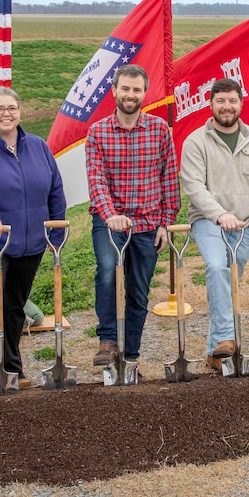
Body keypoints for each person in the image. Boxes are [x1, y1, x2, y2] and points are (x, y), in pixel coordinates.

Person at [0, 86, 67, 389]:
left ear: (20, 111)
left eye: (12, 108)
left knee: (14, 303)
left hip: (30, 240)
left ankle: (11, 367)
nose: (6, 114)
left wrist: (56, 230)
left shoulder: (37, 146)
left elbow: (55, 189)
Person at [86, 64, 181, 366]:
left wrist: (166, 222)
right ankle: (109, 342)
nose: (130, 94)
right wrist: (110, 214)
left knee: (138, 291)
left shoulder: (158, 130)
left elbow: (169, 179)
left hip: (148, 223)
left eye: (136, 89)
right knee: (107, 270)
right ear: (114, 91)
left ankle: (131, 355)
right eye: (124, 88)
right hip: (109, 221)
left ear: (144, 93)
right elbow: (96, 179)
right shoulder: (97, 132)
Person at [180, 78, 249, 371]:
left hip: (245, 225)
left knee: (229, 282)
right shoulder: (196, 141)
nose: (226, 107)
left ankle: (214, 352)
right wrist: (220, 215)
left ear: (241, 103)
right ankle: (226, 337)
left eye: (232, 101)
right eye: (220, 101)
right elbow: (194, 186)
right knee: (218, 267)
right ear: (211, 104)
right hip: (208, 221)